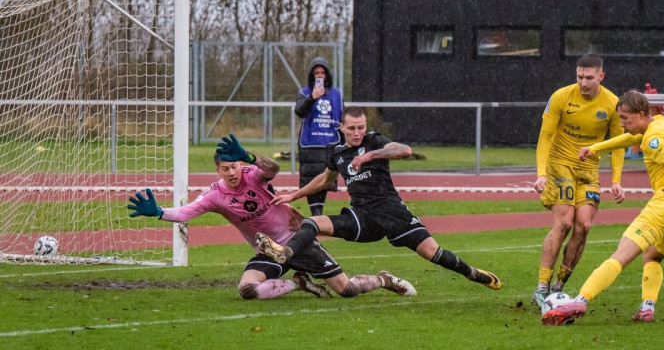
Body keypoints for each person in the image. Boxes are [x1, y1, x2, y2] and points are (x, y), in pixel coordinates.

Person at [127, 133, 416, 300]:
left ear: (241, 164)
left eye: (235, 166)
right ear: (217, 171)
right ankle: (298, 284)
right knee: (246, 290)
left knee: (347, 289)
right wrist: (158, 212)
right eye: (225, 169)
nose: (232, 172)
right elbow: (186, 212)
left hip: (298, 240)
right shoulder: (215, 195)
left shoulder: (253, 173)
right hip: (267, 248)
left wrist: (251, 158)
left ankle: (383, 279)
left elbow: (272, 169)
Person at [257, 106, 502, 290]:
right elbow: (324, 179)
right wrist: (294, 195)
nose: (357, 132)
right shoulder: (338, 153)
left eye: (360, 127)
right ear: (341, 128)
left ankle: (472, 273)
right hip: (362, 217)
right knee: (312, 222)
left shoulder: (374, 141)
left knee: (433, 253)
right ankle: (286, 253)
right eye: (351, 128)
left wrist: (370, 155)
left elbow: (404, 150)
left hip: (392, 212)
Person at [542, 90, 664, 325]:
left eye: (625, 118)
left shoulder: (652, 139)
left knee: (620, 257)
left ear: (640, 114)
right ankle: (647, 307)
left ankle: (580, 300)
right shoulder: (661, 123)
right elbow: (631, 139)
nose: (621, 124)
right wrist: (597, 148)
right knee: (652, 255)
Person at [531, 53, 626, 309]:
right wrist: (541, 172)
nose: (583, 82)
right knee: (563, 223)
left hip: (588, 170)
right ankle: (541, 288)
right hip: (559, 165)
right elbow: (545, 136)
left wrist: (616, 179)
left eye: (589, 78)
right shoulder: (561, 97)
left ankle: (559, 287)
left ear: (601, 77)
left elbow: (619, 144)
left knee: (583, 225)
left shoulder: (612, 104)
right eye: (579, 77)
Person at [294, 57, 343, 216]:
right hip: (310, 145)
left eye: (322, 72)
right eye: (316, 73)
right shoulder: (304, 92)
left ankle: (318, 214)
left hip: (329, 144)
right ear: (312, 75)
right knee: (311, 181)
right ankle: (316, 215)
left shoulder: (336, 94)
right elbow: (300, 112)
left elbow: (342, 118)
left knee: (325, 181)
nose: (320, 76)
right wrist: (312, 98)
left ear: (327, 75)